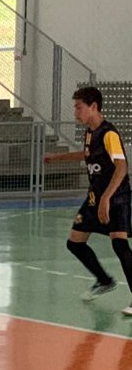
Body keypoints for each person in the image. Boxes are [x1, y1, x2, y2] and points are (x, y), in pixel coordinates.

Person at [44, 86, 132, 314]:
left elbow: (122, 167)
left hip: (116, 196)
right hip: (95, 197)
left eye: (79, 107)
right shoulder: (90, 133)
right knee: (74, 242)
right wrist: (57, 158)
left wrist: (106, 199)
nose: (75, 112)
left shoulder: (109, 134)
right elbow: (86, 155)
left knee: (119, 243)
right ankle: (104, 280)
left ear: (93, 107)